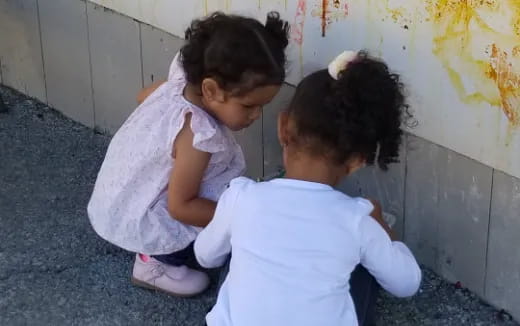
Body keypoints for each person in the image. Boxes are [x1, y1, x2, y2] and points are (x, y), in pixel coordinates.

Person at [195, 50, 422, 326]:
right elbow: (407, 283)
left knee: (237, 249)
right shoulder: (357, 221)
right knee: (361, 263)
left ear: (282, 128)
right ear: (357, 161)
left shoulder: (241, 196)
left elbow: (205, 256)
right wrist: (383, 230)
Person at [87, 12, 290, 297]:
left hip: (125, 193)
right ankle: (153, 262)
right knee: (210, 254)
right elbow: (181, 207)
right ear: (210, 90)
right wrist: (241, 217)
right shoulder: (197, 135)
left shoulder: (176, 87)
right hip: (150, 212)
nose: (256, 115)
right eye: (248, 106)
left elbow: (142, 97)